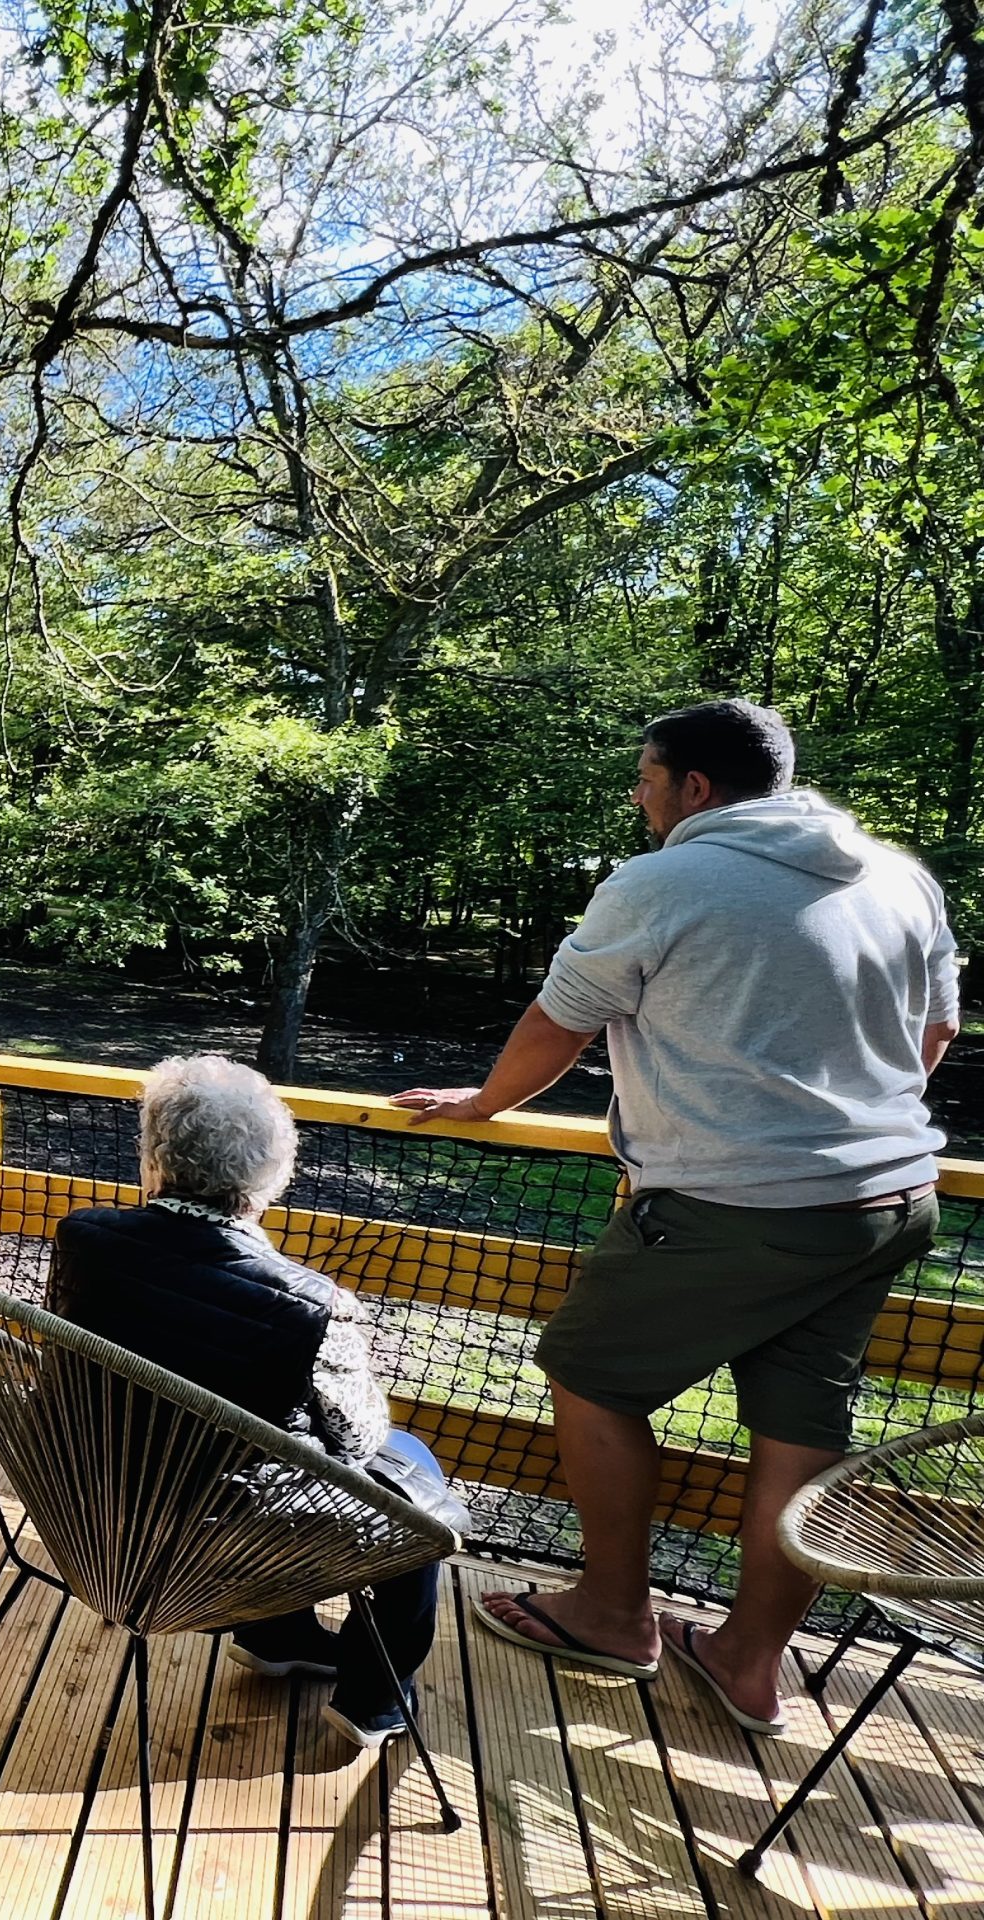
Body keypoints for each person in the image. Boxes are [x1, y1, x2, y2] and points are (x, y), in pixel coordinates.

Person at [394, 698, 960, 1732]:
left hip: (727, 1206)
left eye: (645, 778)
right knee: (801, 1427)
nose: (637, 796)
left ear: (694, 787)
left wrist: (481, 1104)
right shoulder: (898, 876)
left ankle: (613, 1613)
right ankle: (749, 1659)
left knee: (588, 1371)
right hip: (885, 1203)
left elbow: (557, 1018)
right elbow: (935, 1032)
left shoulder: (662, 881)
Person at [49, 1051, 460, 1748]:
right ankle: (374, 1698)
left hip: (95, 1511)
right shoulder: (313, 1306)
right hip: (224, 1542)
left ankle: (279, 1635)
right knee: (413, 1476)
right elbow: (356, 1441)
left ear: (153, 1157)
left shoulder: (85, 1240)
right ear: (272, 1174)